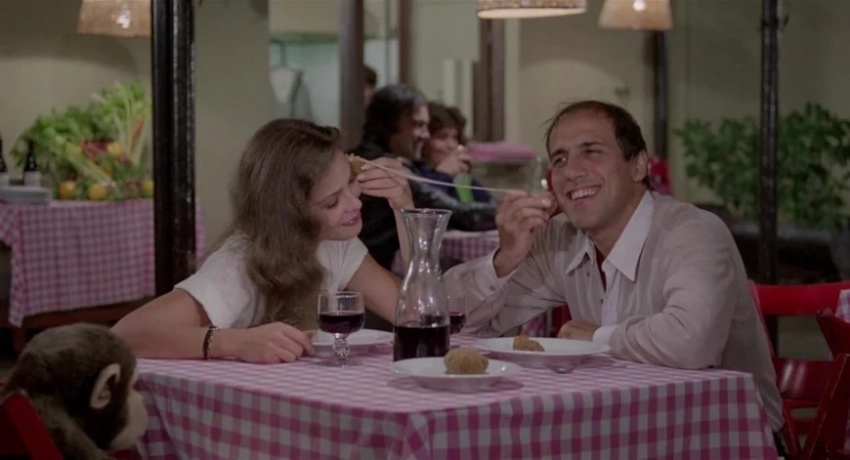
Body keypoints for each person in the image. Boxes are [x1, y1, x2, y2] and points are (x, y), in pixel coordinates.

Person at [443, 100, 786, 447]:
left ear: (638, 165)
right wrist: (505, 259)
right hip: (623, 431)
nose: (571, 171)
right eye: (559, 159)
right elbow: (451, 318)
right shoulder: (560, 239)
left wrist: (597, 338)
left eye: (591, 151)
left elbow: (691, 343)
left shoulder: (693, 232)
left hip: (727, 438)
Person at [112, 119, 413, 364]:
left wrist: (405, 210)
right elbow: (126, 334)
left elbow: (415, 312)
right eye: (332, 202)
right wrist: (236, 342)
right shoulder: (240, 261)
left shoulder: (335, 244)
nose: (356, 204)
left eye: (350, 183)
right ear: (290, 214)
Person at [354, 84, 497, 272]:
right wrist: (512, 209)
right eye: (418, 125)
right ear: (388, 125)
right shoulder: (387, 167)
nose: (426, 135)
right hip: (364, 273)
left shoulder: (367, 156)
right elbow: (461, 216)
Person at [419, 102, 494, 204]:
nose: (452, 145)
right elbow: (423, 205)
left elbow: (489, 206)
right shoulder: (415, 175)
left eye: (455, 137)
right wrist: (442, 174)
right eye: (442, 137)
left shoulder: (461, 178)